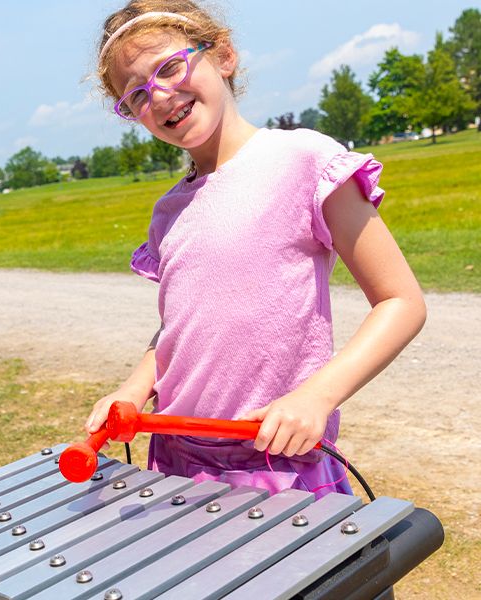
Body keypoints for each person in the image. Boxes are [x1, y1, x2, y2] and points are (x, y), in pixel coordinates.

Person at [85, 0, 426, 497]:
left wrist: (317, 397)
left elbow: (402, 303)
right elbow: (180, 327)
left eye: (170, 67)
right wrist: (135, 388)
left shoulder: (304, 159)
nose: (158, 97)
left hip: (280, 466)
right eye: (136, 94)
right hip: (176, 461)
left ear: (223, 54)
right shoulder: (167, 212)